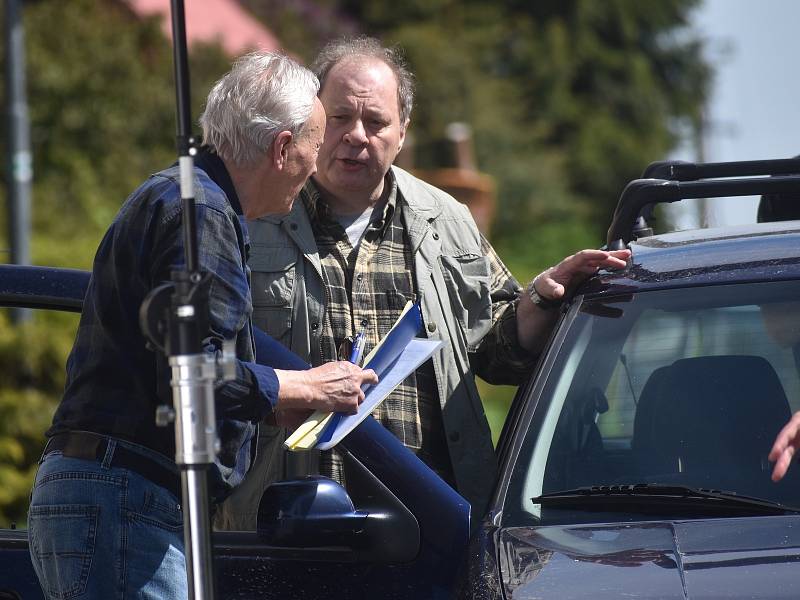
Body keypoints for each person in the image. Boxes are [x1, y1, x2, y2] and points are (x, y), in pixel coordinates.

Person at [217, 36, 629, 529]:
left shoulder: (447, 219)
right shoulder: (253, 212)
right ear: (312, 122)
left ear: (403, 132)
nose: (357, 136)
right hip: (283, 517)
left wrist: (540, 297)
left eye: (376, 122)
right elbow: (209, 364)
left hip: (423, 522)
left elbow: (496, 354)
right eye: (341, 117)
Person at [27, 51, 377, 600]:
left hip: (106, 492)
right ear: (282, 148)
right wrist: (305, 385)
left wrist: (269, 400)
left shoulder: (174, 195)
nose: (314, 167)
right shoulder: (203, 213)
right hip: (130, 501)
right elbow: (194, 372)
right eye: (313, 145)